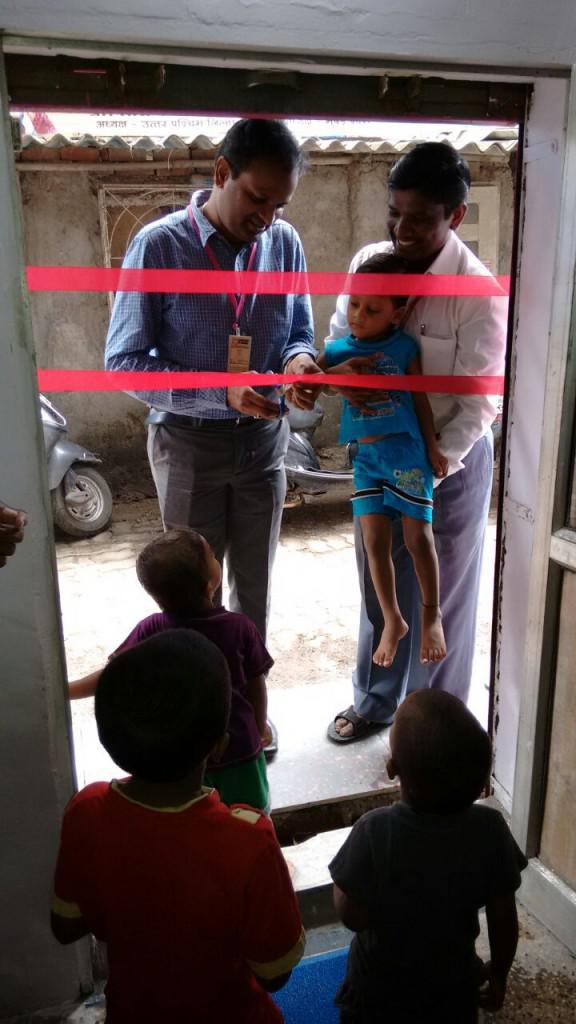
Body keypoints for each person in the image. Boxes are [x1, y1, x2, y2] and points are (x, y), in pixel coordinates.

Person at [104, 118, 320, 647]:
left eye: (279, 206)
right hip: (186, 446)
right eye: (258, 199)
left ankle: (248, 687)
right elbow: (123, 363)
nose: (267, 218)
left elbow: (298, 332)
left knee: (255, 585)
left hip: (263, 444)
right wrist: (219, 391)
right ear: (223, 172)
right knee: (193, 596)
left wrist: (298, 363)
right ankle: (205, 692)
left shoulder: (285, 243)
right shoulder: (159, 247)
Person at [327, 142, 507, 742]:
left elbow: (480, 400)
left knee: (441, 596)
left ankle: (432, 729)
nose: (402, 231)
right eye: (394, 214)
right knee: (378, 577)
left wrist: (432, 462)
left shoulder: (478, 294)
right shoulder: (371, 263)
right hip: (378, 454)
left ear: (455, 215)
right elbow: (340, 336)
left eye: (420, 219)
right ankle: (376, 701)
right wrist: (334, 375)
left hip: (448, 462)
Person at [52, 629, 305, 1024]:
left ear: (107, 735)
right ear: (219, 745)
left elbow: (66, 926)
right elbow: (274, 973)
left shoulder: (87, 810)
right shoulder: (248, 839)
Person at [329, 689, 527, 1023]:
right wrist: (499, 972)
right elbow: (503, 916)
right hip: (452, 986)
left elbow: (351, 914)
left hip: (377, 992)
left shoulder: (374, 830)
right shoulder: (490, 829)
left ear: (392, 769)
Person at [69, 529, 274, 811]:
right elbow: (256, 684)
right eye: (212, 556)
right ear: (210, 583)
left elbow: (112, 675)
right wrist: (259, 726)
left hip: (181, 756)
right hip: (239, 749)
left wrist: (65, 690)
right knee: (249, 814)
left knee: (191, 818)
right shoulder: (239, 628)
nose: (216, 558)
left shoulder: (152, 628)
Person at [319, 253, 448, 668]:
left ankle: (431, 614)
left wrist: (433, 448)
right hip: (367, 461)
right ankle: (393, 619)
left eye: (372, 309)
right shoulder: (337, 350)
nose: (358, 315)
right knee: (374, 544)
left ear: (397, 314)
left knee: (417, 539)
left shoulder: (404, 347)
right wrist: (331, 378)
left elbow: (420, 399)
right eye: (354, 304)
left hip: (407, 454)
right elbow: (308, 381)